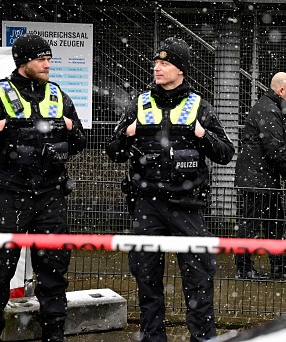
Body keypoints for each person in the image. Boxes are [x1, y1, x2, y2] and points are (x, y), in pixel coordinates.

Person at [0, 34, 87, 342]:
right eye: (42, 59)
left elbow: (80, 141)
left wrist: (68, 128)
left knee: (53, 274)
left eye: (49, 58)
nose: (48, 64)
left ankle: (54, 336)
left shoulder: (59, 96)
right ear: (24, 62)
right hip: (9, 196)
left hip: (51, 197)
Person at [105, 37, 234, 342]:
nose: (157, 68)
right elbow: (113, 150)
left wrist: (202, 135)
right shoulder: (139, 104)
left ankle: (202, 338)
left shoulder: (199, 106)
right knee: (146, 278)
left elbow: (225, 153)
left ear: (181, 70)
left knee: (198, 279)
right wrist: (127, 133)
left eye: (164, 63)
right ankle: (153, 338)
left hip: (187, 205)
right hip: (147, 204)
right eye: (156, 62)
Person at [234, 72, 286, 280]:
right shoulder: (269, 111)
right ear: (281, 91)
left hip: (261, 176)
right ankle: (244, 269)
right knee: (253, 223)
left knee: (273, 221)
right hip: (258, 179)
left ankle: (278, 264)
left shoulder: (267, 108)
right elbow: (274, 148)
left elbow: (273, 148)